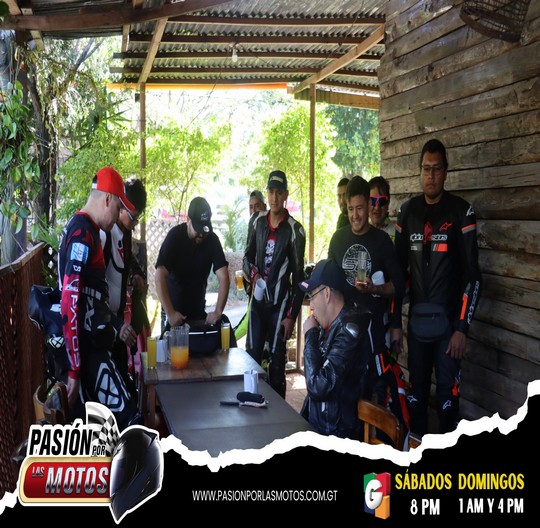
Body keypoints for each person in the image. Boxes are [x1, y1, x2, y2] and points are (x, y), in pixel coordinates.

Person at [394, 138, 482, 437]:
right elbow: (397, 275)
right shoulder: (407, 212)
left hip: (449, 330)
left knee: (448, 402)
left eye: (436, 169)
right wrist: (395, 324)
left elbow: (473, 276)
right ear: (419, 171)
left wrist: (462, 328)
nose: (431, 175)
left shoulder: (461, 212)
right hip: (417, 324)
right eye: (426, 169)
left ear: (446, 171)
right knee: (416, 397)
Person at [57, 167, 141, 430]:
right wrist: (74, 370)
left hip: (92, 348)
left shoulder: (89, 230)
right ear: (107, 199)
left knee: (116, 424)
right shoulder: (83, 233)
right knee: (131, 422)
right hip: (85, 355)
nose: (118, 216)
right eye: (118, 208)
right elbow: (69, 302)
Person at [328, 175, 407, 427]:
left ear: (369, 205)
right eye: (351, 209)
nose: (355, 215)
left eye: (360, 208)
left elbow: (400, 285)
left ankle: (374, 440)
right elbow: (330, 284)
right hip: (344, 334)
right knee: (344, 395)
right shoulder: (338, 239)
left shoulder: (382, 241)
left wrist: (376, 288)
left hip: (374, 334)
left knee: (374, 393)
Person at [243, 170, 306, 398]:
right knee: (251, 359)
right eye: (271, 192)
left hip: (280, 307)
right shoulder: (257, 221)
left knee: (277, 364)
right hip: (258, 304)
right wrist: (254, 276)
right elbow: (246, 258)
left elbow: (299, 279)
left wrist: (291, 316)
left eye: (279, 192)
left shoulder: (295, 230)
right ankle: (250, 405)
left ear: (286, 195)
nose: (274, 197)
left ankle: (279, 415)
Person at [298, 258, 373, 440]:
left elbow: (319, 387)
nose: (311, 306)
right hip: (322, 430)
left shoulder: (350, 331)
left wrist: (310, 336)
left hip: (337, 437)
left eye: (312, 296)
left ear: (327, 293)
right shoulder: (332, 326)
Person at [155, 196, 235, 339]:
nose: (202, 234)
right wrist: (171, 313)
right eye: (198, 229)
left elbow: (223, 277)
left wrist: (218, 311)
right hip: (174, 317)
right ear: (188, 220)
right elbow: (160, 275)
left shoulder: (212, 240)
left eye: (205, 229)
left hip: (199, 316)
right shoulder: (175, 237)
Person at [100, 178, 148, 393]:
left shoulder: (125, 232)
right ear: (119, 206)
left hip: (118, 320)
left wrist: (136, 274)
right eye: (133, 217)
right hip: (104, 323)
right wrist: (116, 324)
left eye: (138, 218)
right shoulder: (104, 234)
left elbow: (128, 262)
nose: (135, 223)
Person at [369, 175, 395, 242]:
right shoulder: (360, 233)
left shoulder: (398, 234)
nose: (377, 207)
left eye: (382, 201)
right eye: (373, 200)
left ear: (388, 202)